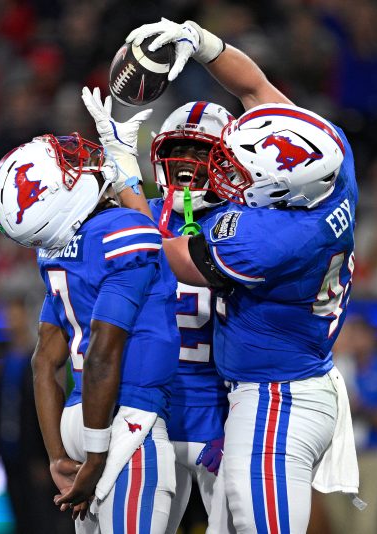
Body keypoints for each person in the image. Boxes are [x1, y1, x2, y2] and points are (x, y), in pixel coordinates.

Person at [119, 18, 362, 534]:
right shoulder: (329, 164)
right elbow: (255, 89)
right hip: (285, 383)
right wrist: (202, 42)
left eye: (241, 170)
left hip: (274, 397)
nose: (226, 172)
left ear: (277, 193)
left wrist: (121, 181)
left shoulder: (268, 239)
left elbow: (175, 256)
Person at [0, 112, 180, 533]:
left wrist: (58, 453)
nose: (79, 164)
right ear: (55, 199)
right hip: (123, 420)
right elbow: (101, 356)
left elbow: (44, 363)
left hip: (76, 417)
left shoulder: (55, 249)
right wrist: (96, 455)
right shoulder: (123, 232)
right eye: (66, 167)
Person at [147, 101, 236, 534]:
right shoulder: (137, 215)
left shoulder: (242, 225)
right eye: (179, 149)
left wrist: (239, 420)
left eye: (200, 152)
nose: (186, 163)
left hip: (218, 411)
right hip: (151, 409)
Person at [0, 297, 74, 534]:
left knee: (40, 517)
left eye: (14, 316)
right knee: (19, 514)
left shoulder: (40, 359)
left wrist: (45, 455)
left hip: (32, 455)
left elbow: (43, 408)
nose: (10, 322)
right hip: (9, 452)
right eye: (7, 316)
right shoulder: (3, 360)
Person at [327, 315, 377, 534]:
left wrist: (362, 409)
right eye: (350, 334)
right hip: (337, 458)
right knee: (341, 526)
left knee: (366, 527)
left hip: (373, 456)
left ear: (372, 338)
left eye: (359, 334)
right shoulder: (334, 366)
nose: (354, 340)